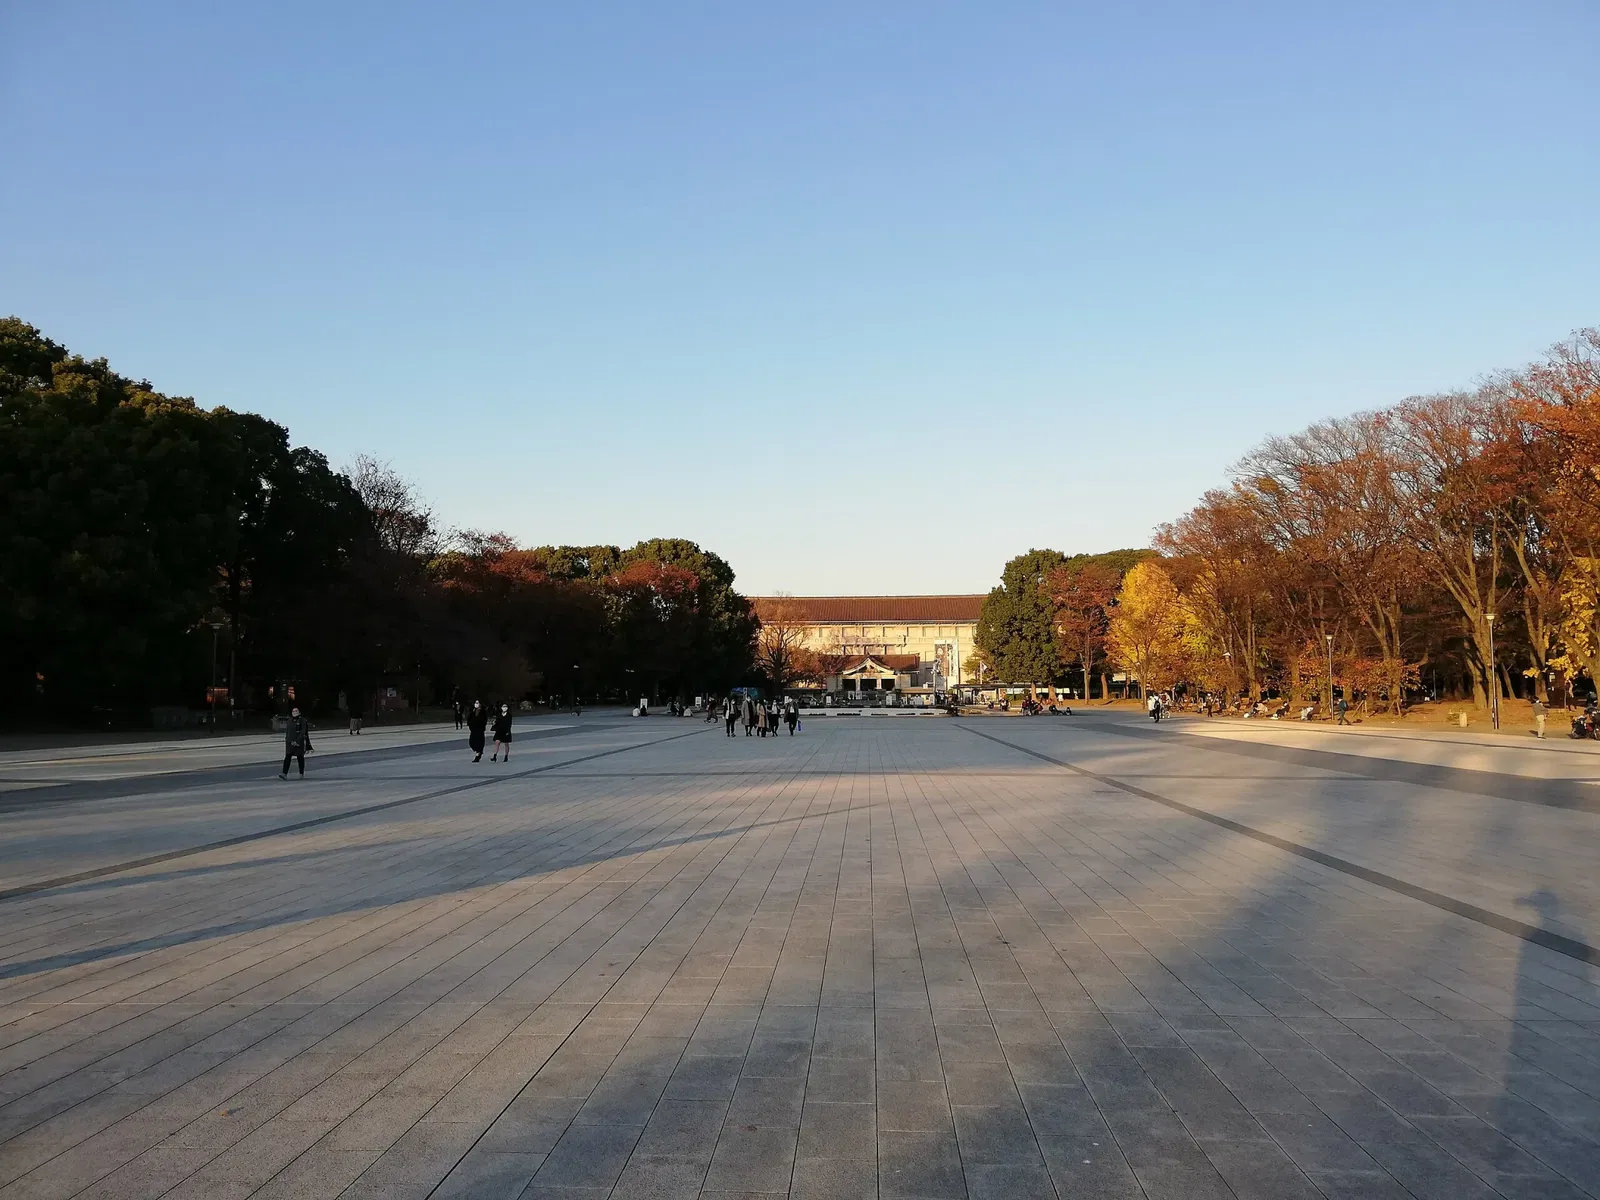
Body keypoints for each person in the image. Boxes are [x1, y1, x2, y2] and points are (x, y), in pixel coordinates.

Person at [280, 707, 313, 779]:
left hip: (299, 742)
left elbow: (303, 731)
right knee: (287, 757)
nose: (294, 712)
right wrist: (287, 740)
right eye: (293, 711)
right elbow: (288, 731)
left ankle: (301, 773)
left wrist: (298, 740)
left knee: (300, 757)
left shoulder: (302, 720)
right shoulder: (289, 720)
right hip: (290, 742)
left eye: (296, 711)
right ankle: (284, 773)